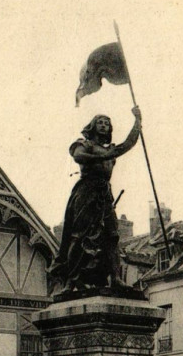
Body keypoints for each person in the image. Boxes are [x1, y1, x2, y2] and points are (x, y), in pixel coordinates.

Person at [50, 107, 142, 291]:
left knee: (112, 236)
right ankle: (71, 281)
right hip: (86, 192)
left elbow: (128, 143)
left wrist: (137, 122)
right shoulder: (84, 144)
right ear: (92, 126)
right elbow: (78, 156)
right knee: (79, 236)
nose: (103, 125)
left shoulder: (110, 150)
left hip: (104, 194)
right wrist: (103, 156)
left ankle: (115, 278)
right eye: (100, 122)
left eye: (107, 123)